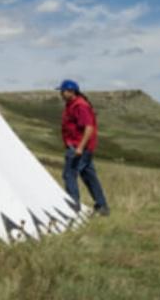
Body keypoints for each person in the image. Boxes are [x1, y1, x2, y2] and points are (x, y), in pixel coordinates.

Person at [58, 79, 109, 216]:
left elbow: (89, 128)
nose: (61, 94)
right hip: (79, 147)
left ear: (71, 91)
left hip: (79, 148)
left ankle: (73, 208)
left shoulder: (80, 106)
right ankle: (102, 207)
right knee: (89, 176)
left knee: (69, 175)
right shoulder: (71, 104)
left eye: (63, 91)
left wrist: (80, 148)